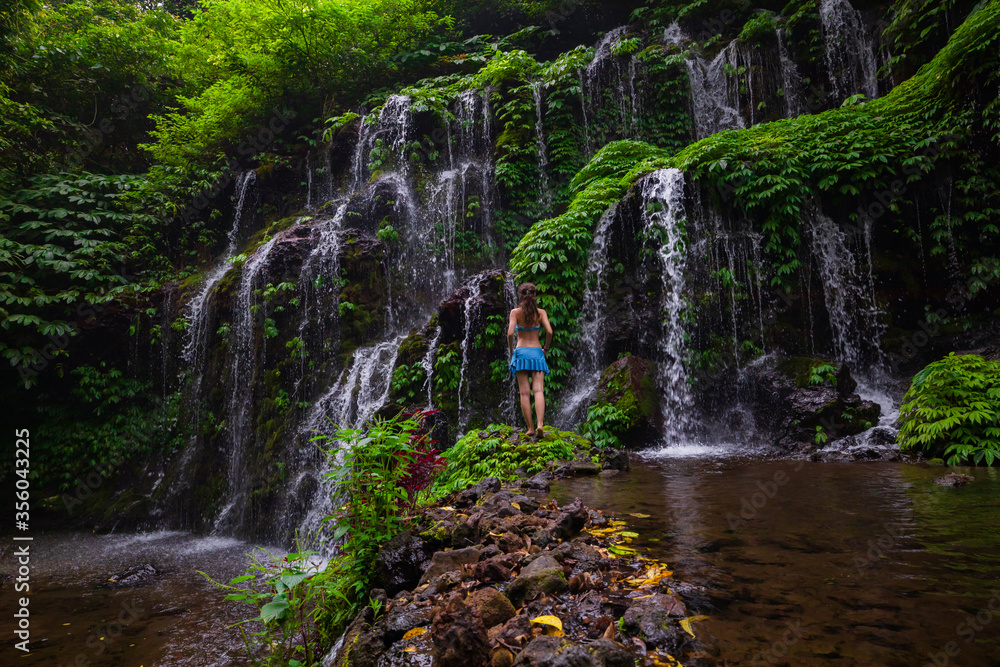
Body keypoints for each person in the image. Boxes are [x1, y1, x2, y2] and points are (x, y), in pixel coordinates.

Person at [507, 282, 553, 438]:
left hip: (521, 353)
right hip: (536, 353)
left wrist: (512, 350)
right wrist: (545, 348)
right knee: (538, 390)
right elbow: (549, 331)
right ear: (535, 295)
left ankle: (530, 428)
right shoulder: (541, 313)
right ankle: (540, 424)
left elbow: (509, 333)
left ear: (520, 296)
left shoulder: (515, 313)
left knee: (524, 393)